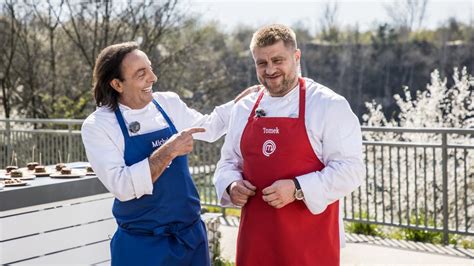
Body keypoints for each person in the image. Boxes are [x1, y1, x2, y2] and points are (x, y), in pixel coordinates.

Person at [81, 42, 253, 266]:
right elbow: (123, 187)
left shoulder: (167, 103)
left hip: (190, 238)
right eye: (141, 73)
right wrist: (169, 150)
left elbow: (208, 128)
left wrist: (241, 103)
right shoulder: (98, 125)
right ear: (117, 84)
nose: (153, 77)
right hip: (143, 246)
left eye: (150, 68)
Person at [213, 24, 365, 266]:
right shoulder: (243, 109)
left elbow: (351, 170)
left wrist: (297, 188)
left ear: (296, 57)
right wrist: (231, 185)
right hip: (255, 242)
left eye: (277, 60)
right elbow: (227, 162)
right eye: (261, 63)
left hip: (310, 243)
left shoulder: (329, 105)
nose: (270, 69)